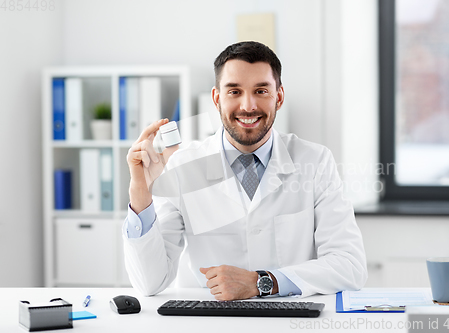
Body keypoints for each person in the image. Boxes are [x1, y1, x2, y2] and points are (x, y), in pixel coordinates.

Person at [124, 41, 367, 301]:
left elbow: (349, 266)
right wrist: (141, 194)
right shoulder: (183, 165)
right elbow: (150, 283)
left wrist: (263, 281)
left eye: (261, 90)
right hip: (206, 321)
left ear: (279, 97)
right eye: (234, 92)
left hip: (288, 319)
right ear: (217, 99)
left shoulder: (315, 161)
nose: (248, 106)